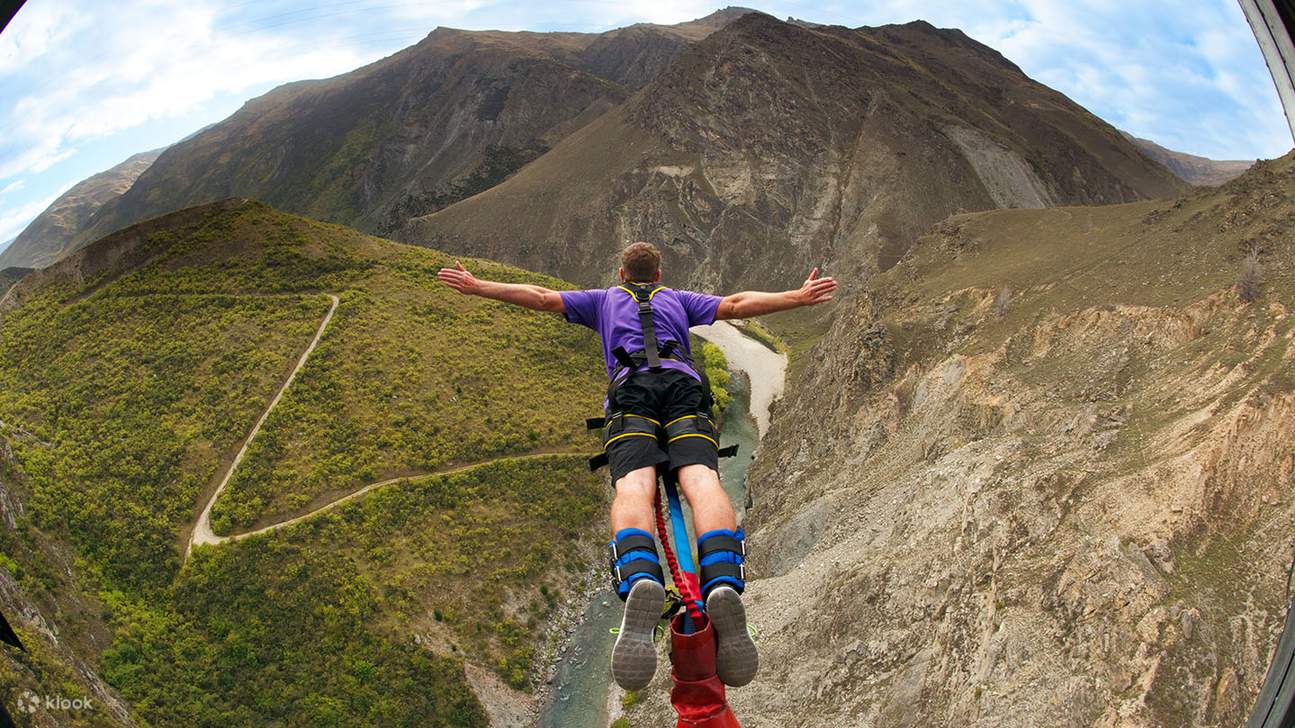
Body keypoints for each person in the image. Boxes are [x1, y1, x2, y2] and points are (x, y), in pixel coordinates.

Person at [437, 242, 837, 690]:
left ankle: (642, 575)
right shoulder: (679, 299)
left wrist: (478, 287)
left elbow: (541, 296)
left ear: (622, 273)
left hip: (633, 400)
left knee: (634, 485)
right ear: (659, 272)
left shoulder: (604, 300)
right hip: (684, 393)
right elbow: (738, 304)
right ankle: (721, 577)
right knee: (702, 480)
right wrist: (797, 298)